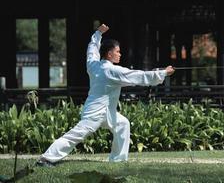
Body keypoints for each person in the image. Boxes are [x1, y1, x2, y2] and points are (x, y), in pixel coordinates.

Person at [36, 24, 175, 167]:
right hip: (95, 112)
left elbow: (92, 50)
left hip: (107, 112)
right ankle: (45, 159)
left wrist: (98, 34)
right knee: (76, 135)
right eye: (118, 51)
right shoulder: (112, 71)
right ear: (109, 54)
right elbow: (138, 76)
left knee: (123, 124)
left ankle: (118, 161)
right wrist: (163, 73)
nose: (120, 54)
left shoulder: (93, 65)